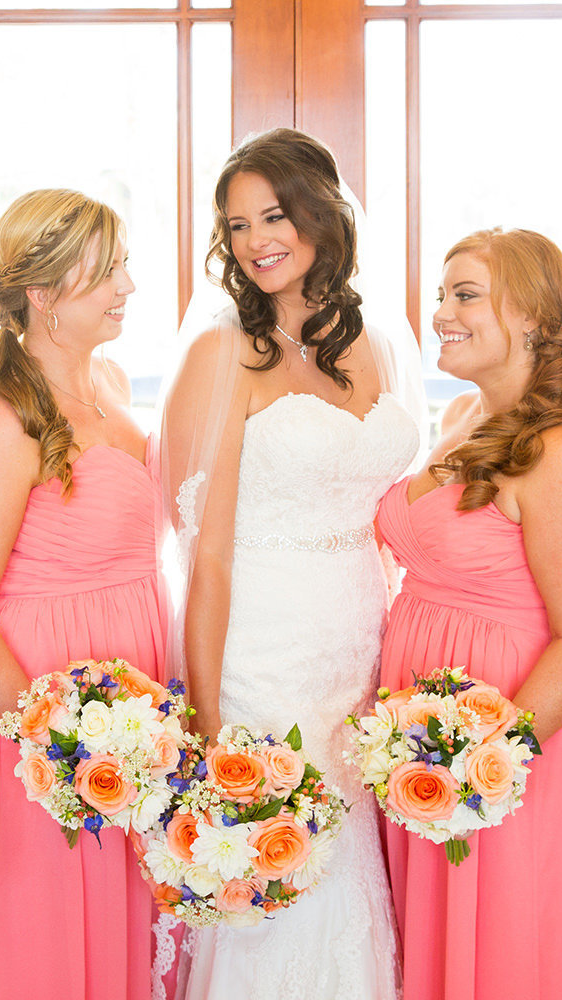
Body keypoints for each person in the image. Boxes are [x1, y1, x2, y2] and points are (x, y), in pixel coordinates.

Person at [160, 127, 419, 999]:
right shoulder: (221, 352)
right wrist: (202, 719)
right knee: (270, 859)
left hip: (359, 642)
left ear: (322, 215)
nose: (256, 239)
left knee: (346, 860)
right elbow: (208, 556)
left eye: (273, 214)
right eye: (235, 225)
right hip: (259, 653)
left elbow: (398, 513)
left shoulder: (378, 345)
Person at [0, 189, 165, 1000]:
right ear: (43, 293)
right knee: (42, 947)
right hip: (36, 719)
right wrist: (59, 746)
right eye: (108, 270)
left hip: (128, 715)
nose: (129, 285)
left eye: (125, 263)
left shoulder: (114, 382)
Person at [378, 228, 562, 1000]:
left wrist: (484, 765)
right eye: (441, 295)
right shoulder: (459, 418)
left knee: (516, 953)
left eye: (465, 295)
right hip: (425, 736)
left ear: (529, 316)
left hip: (519, 740)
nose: (442, 313)